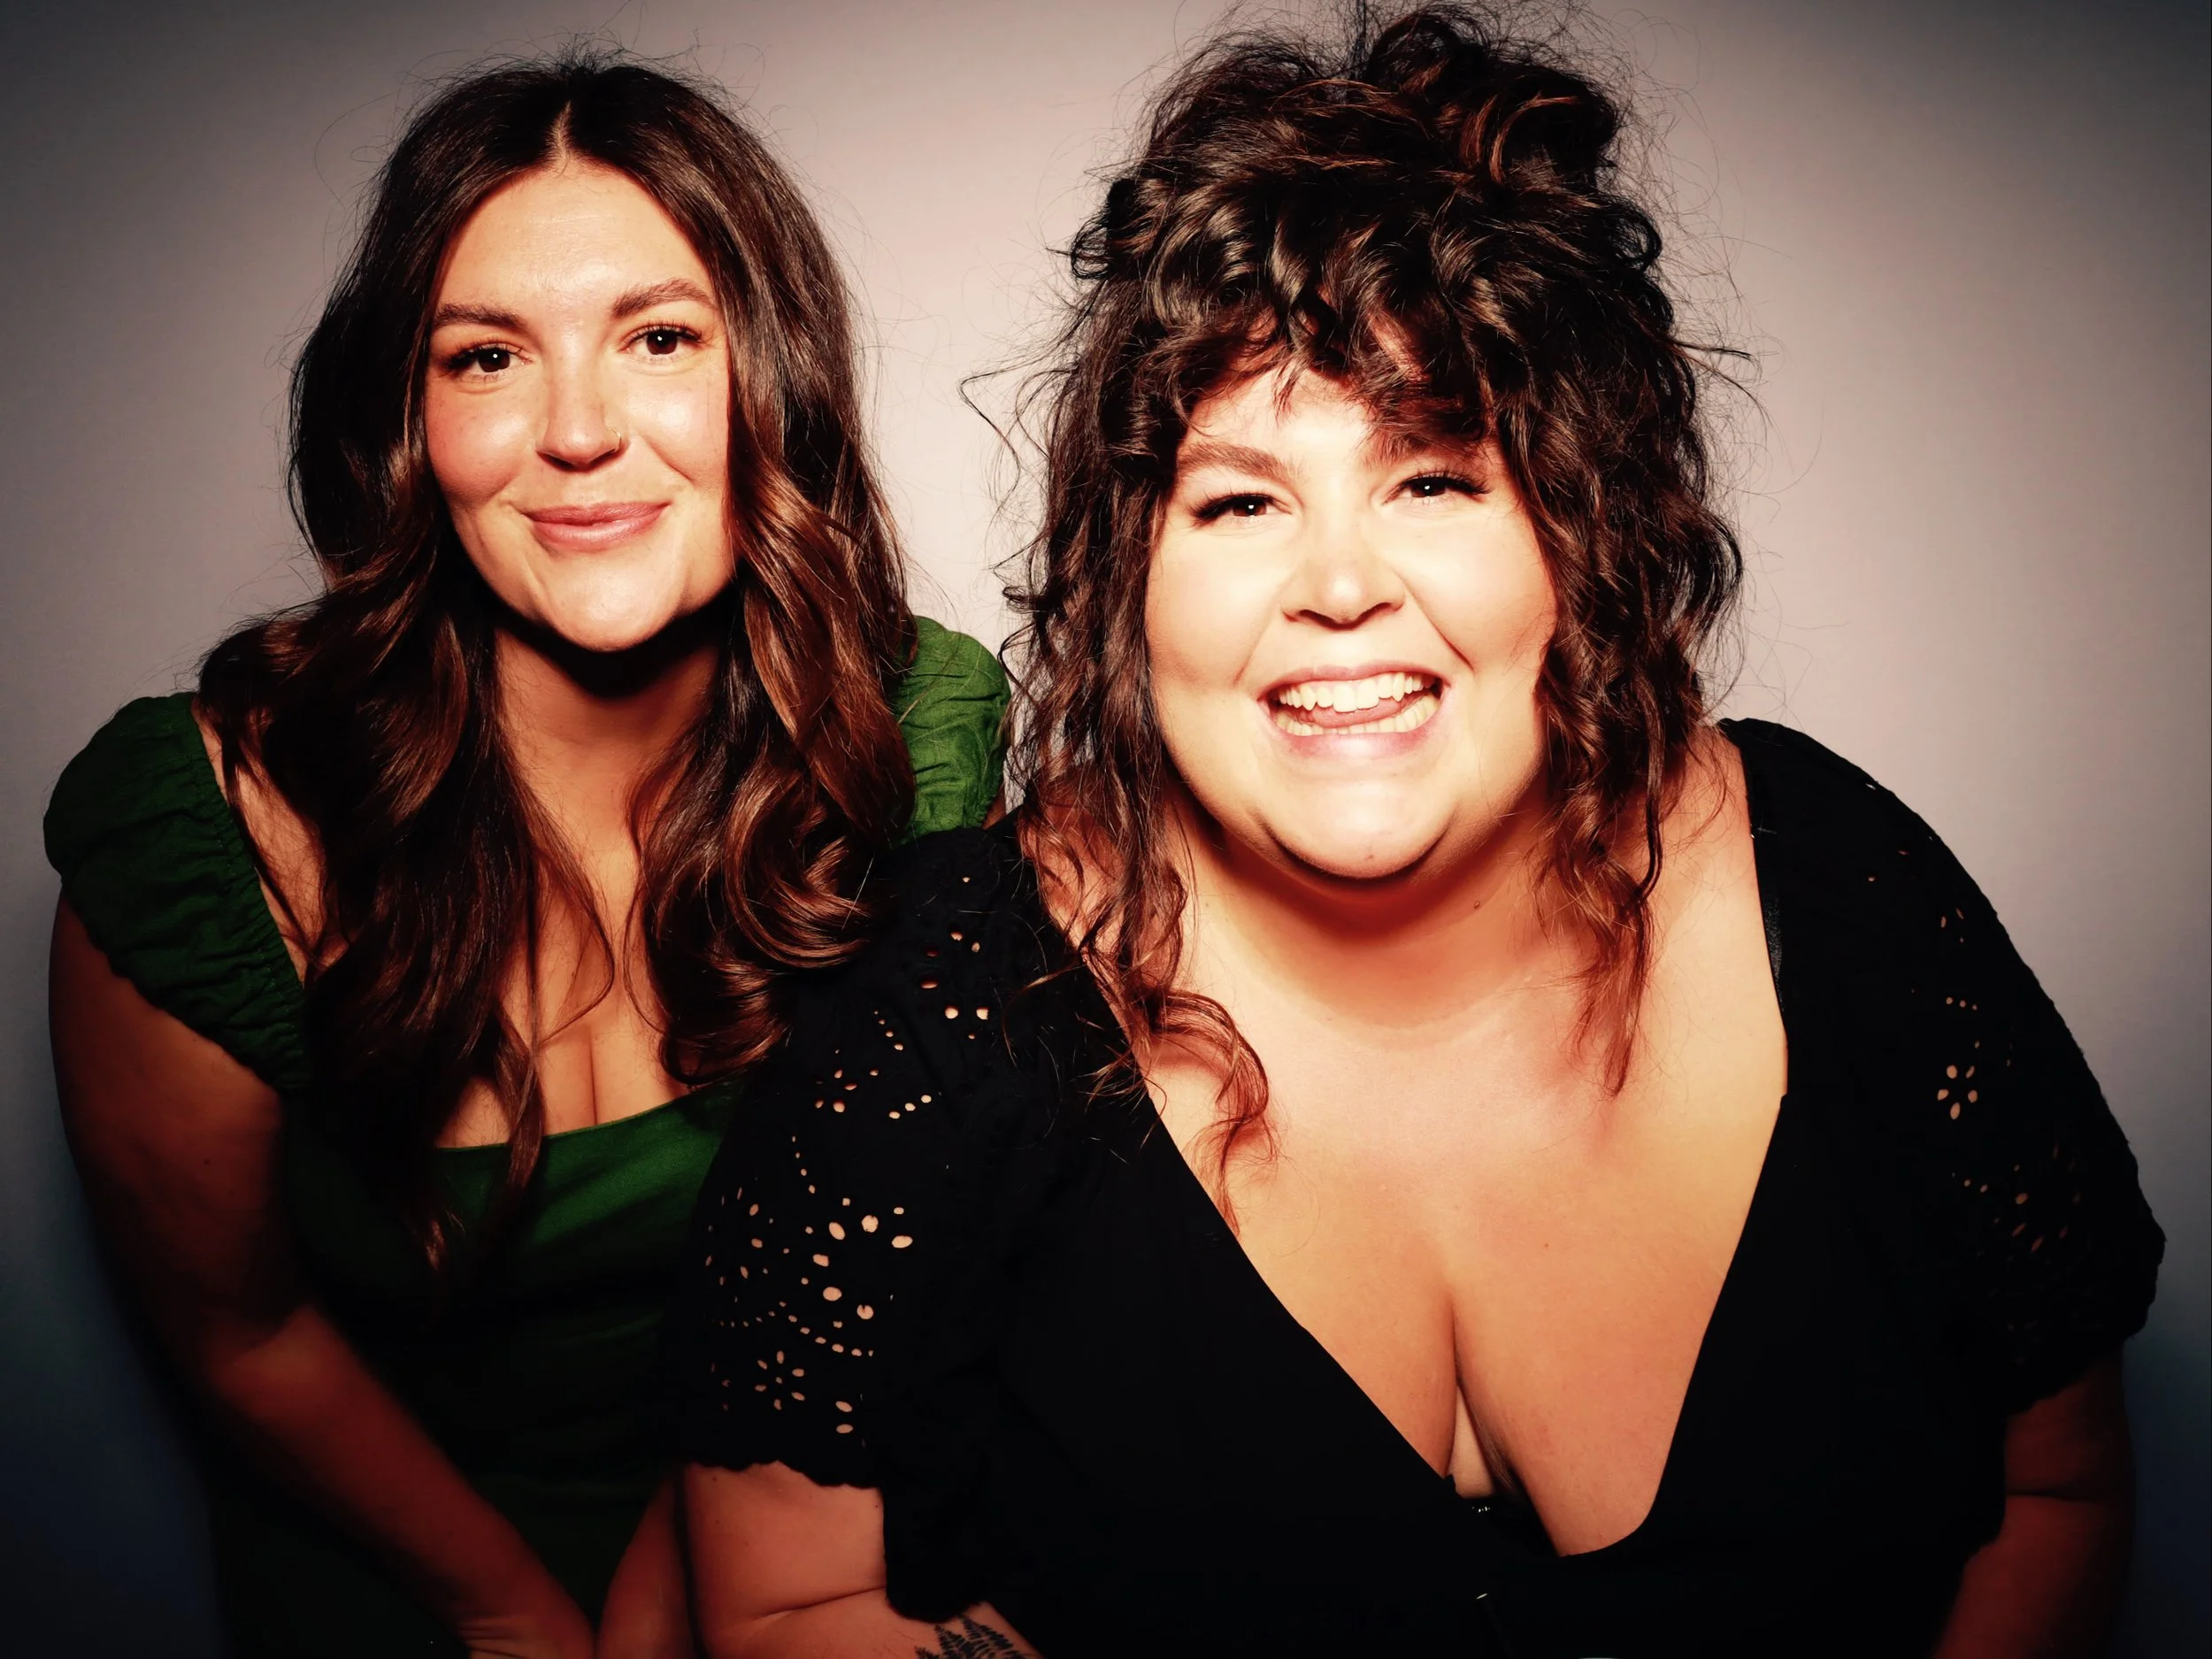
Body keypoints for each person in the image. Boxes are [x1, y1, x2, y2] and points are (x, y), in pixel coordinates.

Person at [660, 9, 2164, 1657]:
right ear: (1126, 580)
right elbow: (787, 1591)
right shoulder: (939, 1008)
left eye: (1434, 478)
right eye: (1239, 499)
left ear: (1582, 530)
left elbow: (2060, 1495)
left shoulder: (1844, 886)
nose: (1339, 585)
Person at [44, 55, 1006, 1659]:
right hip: (409, 1583)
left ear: (773, 377)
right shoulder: (204, 834)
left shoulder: (919, 734)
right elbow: (241, 1326)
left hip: (796, 1563)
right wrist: (509, 1617)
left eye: (660, 338)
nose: (578, 431)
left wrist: (664, 1604)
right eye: (487, 356)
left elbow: (890, 1278)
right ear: (406, 420)